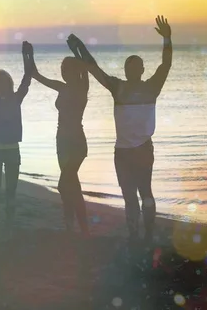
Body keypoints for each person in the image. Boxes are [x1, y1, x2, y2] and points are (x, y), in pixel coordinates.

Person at [69, 15, 173, 244]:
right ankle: (140, 234)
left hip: (135, 151)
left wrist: (81, 48)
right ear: (130, 70)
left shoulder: (136, 87)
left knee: (139, 195)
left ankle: (141, 234)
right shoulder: (131, 87)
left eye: (133, 67)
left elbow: (95, 68)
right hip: (128, 151)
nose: (131, 70)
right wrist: (166, 39)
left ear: (140, 70)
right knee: (138, 195)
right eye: (129, 66)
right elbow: (96, 69)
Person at [26, 39, 90, 235]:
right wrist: (29, 54)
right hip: (61, 142)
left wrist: (77, 49)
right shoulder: (62, 88)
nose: (63, 72)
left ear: (74, 71)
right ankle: (75, 226)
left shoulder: (82, 87)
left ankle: (78, 226)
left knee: (65, 184)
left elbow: (86, 67)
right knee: (71, 185)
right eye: (62, 69)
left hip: (76, 142)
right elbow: (35, 75)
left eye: (66, 69)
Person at [0, 42, 32, 230]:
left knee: (10, 192)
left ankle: (8, 225)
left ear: (9, 84)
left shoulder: (15, 99)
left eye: (3, 82)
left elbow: (27, 78)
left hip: (11, 150)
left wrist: (27, 56)